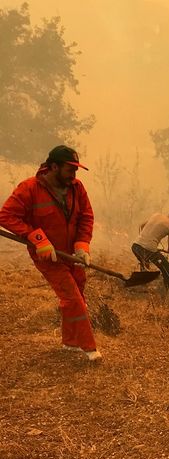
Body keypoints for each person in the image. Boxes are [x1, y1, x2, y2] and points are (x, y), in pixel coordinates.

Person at [0, 145, 101, 361]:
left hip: (71, 254)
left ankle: (70, 342)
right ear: (54, 167)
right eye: (70, 170)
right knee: (73, 298)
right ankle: (89, 348)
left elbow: (86, 216)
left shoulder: (77, 188)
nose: (74, 175)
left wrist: (82, 245)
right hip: (47, 256)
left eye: (76, 170)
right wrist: (37, 238)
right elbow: (6, 216)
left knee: (77, 294)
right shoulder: (29, 188)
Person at [131, 209, 169, 291]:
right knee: (167, 267)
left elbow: (141, 225)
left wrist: (144, 240)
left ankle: (141, 285)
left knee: (145, 263)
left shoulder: (156, 215)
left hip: (135, 246)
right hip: (148, 249)